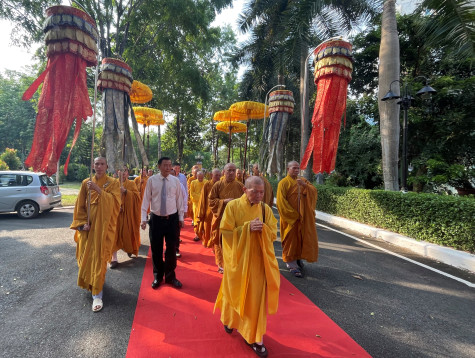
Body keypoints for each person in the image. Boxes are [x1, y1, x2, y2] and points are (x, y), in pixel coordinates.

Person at [214, 176, 280, 358]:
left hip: (258, 264)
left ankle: (255, 338)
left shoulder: (266, 210)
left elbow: (273, 233)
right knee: (233, 292)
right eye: (255, 191)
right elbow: (225, 233)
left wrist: (264, 230)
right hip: (238, 261)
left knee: (255, 300)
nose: (259, 195)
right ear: (245, 189)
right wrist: (245, 229)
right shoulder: (233, 206)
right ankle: (229, 319)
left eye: (262, 192)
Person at [70, 157, 121, 312]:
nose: (99, 166)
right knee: (86, 259)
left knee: (99, 260)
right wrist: (80, 225)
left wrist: (99, 191)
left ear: (107, 166)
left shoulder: (113, 183)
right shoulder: (86, 183)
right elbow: (79, 206)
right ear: (93, 166)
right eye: (96, 164)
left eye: (102, 164)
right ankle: (92, 282)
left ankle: (97, 295)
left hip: (103, 230)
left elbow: (115, 204)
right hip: (88, 229)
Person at [141, 157, 184, 289]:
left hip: (171, 219)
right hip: (156, 219)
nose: (168, 167)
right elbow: (146, 199)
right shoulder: (152, 180)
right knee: (156, 249)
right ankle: (158, 276)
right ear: (159, 166)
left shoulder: (175, 181)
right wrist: (143, 219)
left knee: (171, 249)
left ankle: (171, 277)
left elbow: (179, 200)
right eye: (165, 165)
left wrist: (181, 217)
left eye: (169, 165)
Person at [276, 161, 318, 278]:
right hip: (291, 219)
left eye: (298, 168)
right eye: (294, 168)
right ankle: (291, 264)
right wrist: (294, 216)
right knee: (290, 240)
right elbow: (281, 202)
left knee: (301, 239)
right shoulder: (283, 183)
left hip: (303, 218)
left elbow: (313, 191)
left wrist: (304, 186)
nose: (296, 170)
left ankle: (298, 258)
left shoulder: (303, 181)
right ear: (288, 169)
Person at [209, 163, 244, 273]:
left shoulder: (239, 186)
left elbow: (245, 201)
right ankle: (221, 265)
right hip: (220, 218)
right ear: (224, 172)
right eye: (229, 170)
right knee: (220, 242)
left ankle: (233, 263)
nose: (232, 173)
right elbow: (211, 201)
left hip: (235, 219)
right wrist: (223, 202)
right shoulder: (217, 185)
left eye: (233, 170)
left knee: (234, 242)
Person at [110, 166, 141, 268]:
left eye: (125, 171)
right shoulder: (112, 183)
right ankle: (114, 258)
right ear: (117, 172)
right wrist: (115, 207)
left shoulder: (131, 184)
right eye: (121, 170)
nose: (123, 173)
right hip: (115, 214)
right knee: (114, 235)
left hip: (127, 214)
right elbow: (107, 198)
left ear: (128, 173)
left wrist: (126, 192)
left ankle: (129, 248)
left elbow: (137, 198)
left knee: (127, 232)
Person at [196, 168, 221, 248]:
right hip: (208, 211)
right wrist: (201, 212)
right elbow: (203, 199)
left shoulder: (222, 184)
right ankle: (208, 242)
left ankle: (215, 244)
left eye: (219, 175)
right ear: (211, 175)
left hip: (218, 211)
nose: (218, 177)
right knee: (207, 228)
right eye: (216, 175)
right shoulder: (207, 185)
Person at [171, 163, 188, 258]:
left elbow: (185, 198)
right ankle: (169, 249)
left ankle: (176, 249)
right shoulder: (163, 184)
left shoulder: (180, 185)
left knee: (176, 232)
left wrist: (185, 210)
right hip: (166, 213)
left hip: (177, 212)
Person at [190, 171, 207, 241]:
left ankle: (205, 234)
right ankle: (197, 234)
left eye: (201, 177)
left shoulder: (206, 182)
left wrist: (203, 199)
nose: (200, 179)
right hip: (196, 205)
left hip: (205, 204)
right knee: (196, 219)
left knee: (205, 219)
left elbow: (209, 193)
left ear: (204, 176)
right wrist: (201, 197)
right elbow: (192, 194)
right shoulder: (193, 183)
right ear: (196, 176)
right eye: (199, 177)